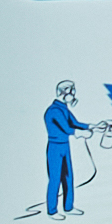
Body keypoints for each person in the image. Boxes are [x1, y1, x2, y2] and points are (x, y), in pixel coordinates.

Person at [42, 80, 84, 216]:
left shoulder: (64, 108)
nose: (73, 95)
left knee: (68, 177)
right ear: (63, 92)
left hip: (65, 146)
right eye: (71, 92)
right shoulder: (53, 111)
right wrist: (78, 133)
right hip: (55, 147)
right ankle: (52, 211)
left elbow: (76, 123)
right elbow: (67, 128)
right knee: (55, 179)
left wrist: (94, 126)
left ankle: (68, 207)